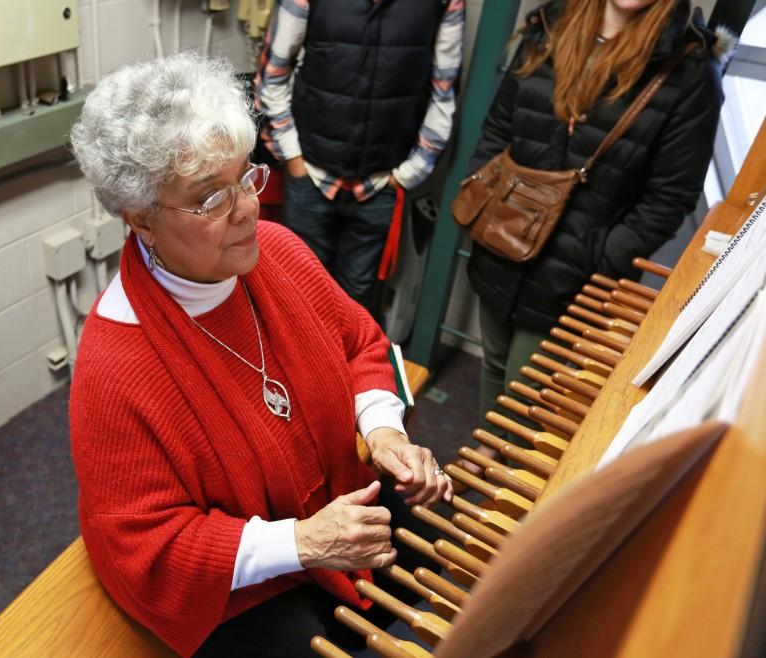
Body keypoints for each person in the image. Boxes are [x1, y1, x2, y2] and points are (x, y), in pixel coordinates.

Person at [69, 52, 453, 658]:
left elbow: (358, 344)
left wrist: (383, 432)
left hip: (329, 496)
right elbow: (149, 542)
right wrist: (301, 543)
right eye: (210, 198)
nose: (247, 207)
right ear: (140, 218)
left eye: (247, 176)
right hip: (235, 579)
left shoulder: (277, 249)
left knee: (447, 536)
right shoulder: (115, 366)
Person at [460, 0, 728, 470]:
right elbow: (499, 124)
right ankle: (484, 452)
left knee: (536, 397)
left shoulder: (687, 71)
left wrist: (600, 257)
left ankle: (506, 491)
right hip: (503, 237)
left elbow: (670, 197)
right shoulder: (550, 25)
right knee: (494, 362)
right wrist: (484, 188)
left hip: (575, 273)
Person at [255, 0, 465, 309]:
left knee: (356, 305)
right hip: (311, 175)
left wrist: (410, 173)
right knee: (297, 296)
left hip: (381, 183)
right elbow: (272, 75)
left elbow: (444, 92)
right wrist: (294, 158)